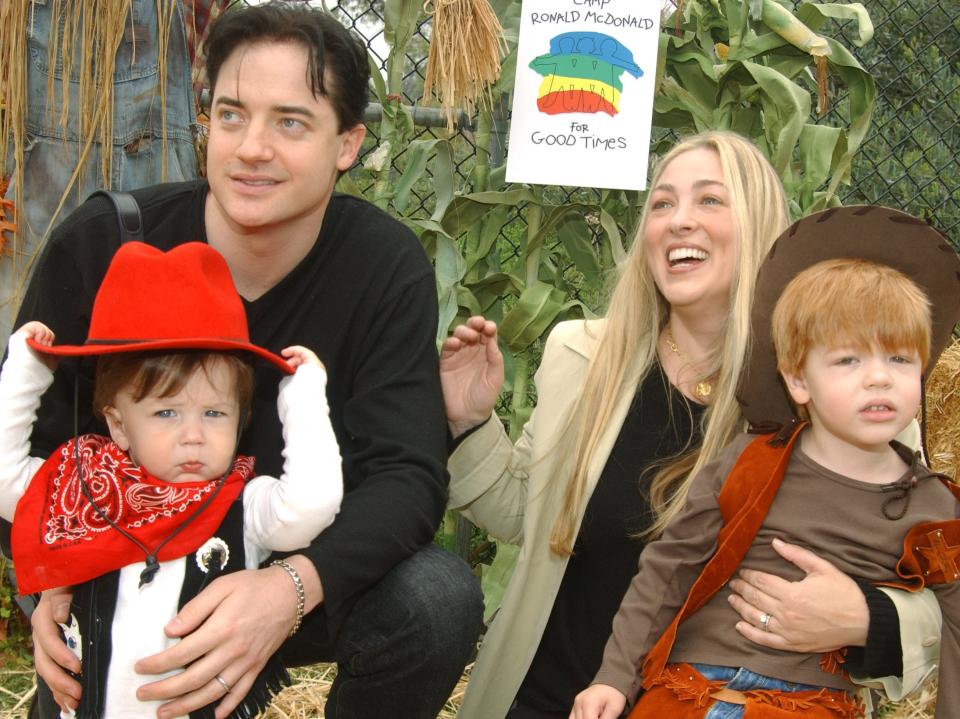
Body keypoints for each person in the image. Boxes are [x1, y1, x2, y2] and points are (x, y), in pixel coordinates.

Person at [17, 4, 483, 718]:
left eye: (290, 122)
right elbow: (30, 445)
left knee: (437, 597)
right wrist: (50, 582)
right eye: (231, 115)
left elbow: (408, 475)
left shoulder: (383, 267)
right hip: (129, 581)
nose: (251, 148)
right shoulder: (108, 243)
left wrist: (287, 589)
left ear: (348, 143)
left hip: (292, 572)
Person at [440, 132, 942, 719]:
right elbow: (528, 516)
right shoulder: (581, 356)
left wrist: (865, 617)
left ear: (759, 226)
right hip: (559, 699)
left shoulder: (840, 390)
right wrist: (469, 420)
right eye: (661, 204)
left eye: (709, 200)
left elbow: (936, 593)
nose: (679, 221)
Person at [572, 206, 960, 719]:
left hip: (809, 703)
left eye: (899, 359)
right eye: (848, 360)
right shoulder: (752, 461)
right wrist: (615, 676)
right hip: (688, 685)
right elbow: (670, 565)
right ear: (798, 380)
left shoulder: (931, 504)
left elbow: (954, 624)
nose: (879, 379)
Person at [0, 240, 342, 718]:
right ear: (118, 425)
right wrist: (26, 371)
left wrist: (303, 397)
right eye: (165, 412)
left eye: (214, 412)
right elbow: (5, 477)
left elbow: (312, 506)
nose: (194, 436)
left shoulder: (240, 502)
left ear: (241, 417)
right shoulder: (83, 485)